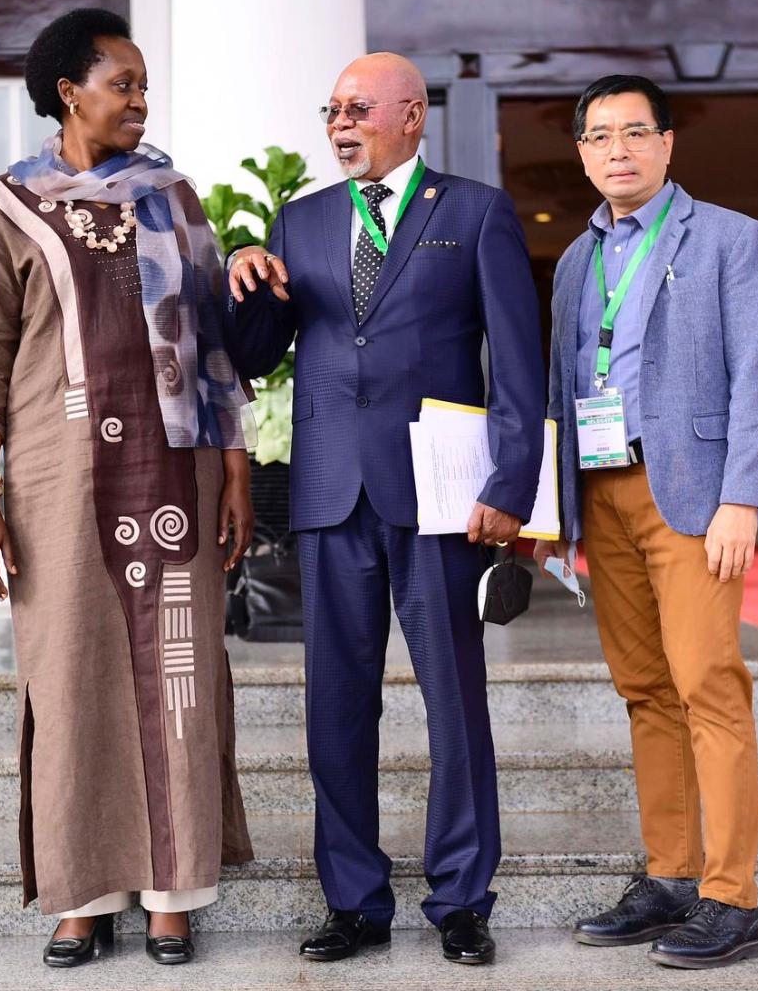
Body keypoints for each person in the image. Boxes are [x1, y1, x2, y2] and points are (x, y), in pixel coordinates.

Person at [0, 8, 255, 969]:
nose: (141, 100)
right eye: (124, 84)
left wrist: (237, 472)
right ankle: (82, 894)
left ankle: (171, 893)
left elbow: (215, 350)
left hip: (178, 473)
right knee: (70, 677)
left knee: (179, 674)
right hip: (56, 481)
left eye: (144, 85)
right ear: (70, 93)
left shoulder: (174, 197)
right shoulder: (11, 205)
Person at [224, 53, 545, 966]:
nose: (340, 123)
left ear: (412, 115)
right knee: (336, 706)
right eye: (331, 109)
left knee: (455, 701)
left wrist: (510, 486)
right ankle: (354, 900)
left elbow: (516, 361)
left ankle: (462, 898)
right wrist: (243, 279)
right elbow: (255, 354)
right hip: (332, 491)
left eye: (358, 108)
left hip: (442, 494)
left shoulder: (474, 212)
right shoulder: (302, 219)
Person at [534, 74, 758, 970]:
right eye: (600, 136)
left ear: (668, 143)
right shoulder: (576, 260)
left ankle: (733, 899)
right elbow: (564, 386)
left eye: (636, 132)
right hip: (602, 493)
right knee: (645, 690)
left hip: (692, 493)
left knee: (708, 686)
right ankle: (672, 877)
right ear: (581, 154)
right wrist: (554, 508)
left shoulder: (729, 238)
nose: (619, 150)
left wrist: (741, 497)